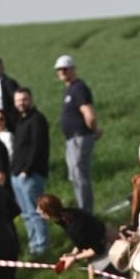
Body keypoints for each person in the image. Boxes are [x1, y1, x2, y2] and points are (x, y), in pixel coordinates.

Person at [54, 54, 99, 212]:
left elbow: (88, 113)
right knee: (74, 175)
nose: (62, 72)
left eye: (65, 69)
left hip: (79, 137)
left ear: (73, 69)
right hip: (72, 138)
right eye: (59, 70)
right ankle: (83, 208)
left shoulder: (78, 88)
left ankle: (85, 210)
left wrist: (93, 130)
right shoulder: (70, 89)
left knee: (79, 175)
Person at [11, 88, 50, 256]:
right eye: (18, 100)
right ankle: (33, 244)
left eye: (24, 99)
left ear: (31, 99)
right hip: (16, 174)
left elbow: (37, 147)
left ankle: (42, 246)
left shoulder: (37, 120)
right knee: (26, 213)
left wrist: (27, 170)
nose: (21, 103)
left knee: (36, 212)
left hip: (30, 174)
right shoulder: (20, 121)